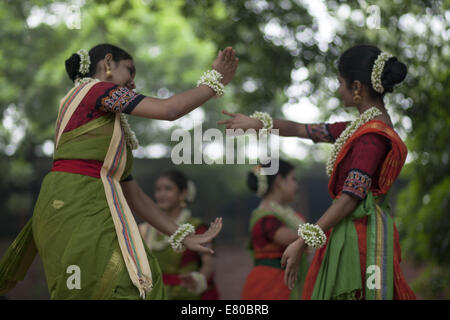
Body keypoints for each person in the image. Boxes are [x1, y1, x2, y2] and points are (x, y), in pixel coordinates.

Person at [0, 43, 238, 299]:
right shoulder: (96, 90)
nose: (133, 83)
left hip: (81, 203)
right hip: (76, 203)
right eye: (130, 71)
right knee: (118, 287)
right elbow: (169, 110)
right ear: (108, 63)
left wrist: (182, 236)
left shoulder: (107, 134)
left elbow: (134, 195)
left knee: (138, 282)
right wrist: (216, 80)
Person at [218, 44, 416, 299]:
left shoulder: (372, 138)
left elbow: (348, 199)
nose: (337, 89)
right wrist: (257, 123)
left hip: (362, 235)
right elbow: (303, 130)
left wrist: (303, 241)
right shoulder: (357, 128)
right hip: (352, 230)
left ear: (356, 87)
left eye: (340, 82)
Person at [138, 170, 220, 299]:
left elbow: (208, 264)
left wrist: (198, 280)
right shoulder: (146, 229)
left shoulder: (196, 227)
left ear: (183, 194)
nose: (161, 194)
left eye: (168, 189)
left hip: (185, 294)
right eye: (158, 189)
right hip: (154, 294)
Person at [242, 159, 308, 300]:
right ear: (279, 181)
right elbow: (293, 239)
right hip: (271, 285)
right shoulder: (265, 217)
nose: (297, 186)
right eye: (293, 179)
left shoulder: (287, 214)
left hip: (285, 282)